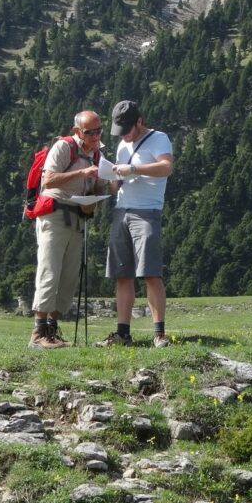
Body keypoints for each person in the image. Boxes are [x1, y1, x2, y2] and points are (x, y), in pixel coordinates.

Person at [98, 100, 174, 348]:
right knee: (122, 274)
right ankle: (123, 333)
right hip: (122, 210)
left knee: (151, 273)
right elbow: (118, 183)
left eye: (128, 130)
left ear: (139, 122)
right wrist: (111, 177)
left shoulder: (159, 138)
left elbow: (166, 167)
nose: (125, 136)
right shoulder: (122, 144)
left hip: (147, 212)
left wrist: (133, 168)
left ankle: (159, 333)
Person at [30, 110, 105, 348]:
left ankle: (51, 330)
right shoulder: (64, 148)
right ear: (77, 131)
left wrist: (106, 189)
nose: (95, 136)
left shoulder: (97, 155)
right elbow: (48, 180)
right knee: (50, 270)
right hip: (55, 214)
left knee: (69, 276)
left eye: (99, 130)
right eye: (89, 131)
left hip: (77, 218)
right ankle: (38, 333)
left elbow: (99, 187)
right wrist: (82, 172)